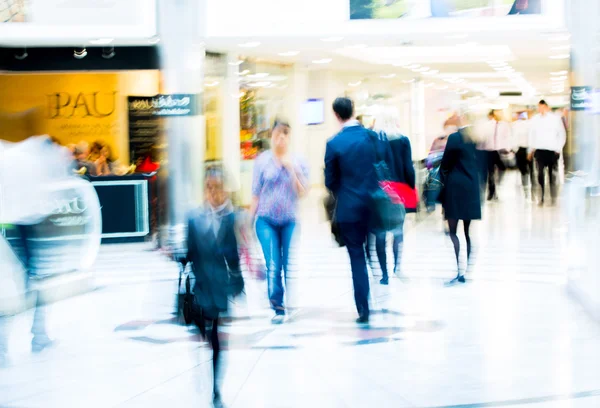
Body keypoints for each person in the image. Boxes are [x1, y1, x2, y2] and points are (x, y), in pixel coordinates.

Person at [186, 166, 244, 407]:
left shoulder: (231, 218)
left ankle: (216, 389)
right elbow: (189, 253)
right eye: (209, 188)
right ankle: (206, 351)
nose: (213, 193)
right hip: (200, 286)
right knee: (205, 333)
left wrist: (238, 281)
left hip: (220, 285)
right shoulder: (194, 219)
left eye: (218, 188)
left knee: (217, 339)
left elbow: (234, 256)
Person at [325, 97, 377, 324]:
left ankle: (363, 308)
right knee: (369, 251)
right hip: (372, 206)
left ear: (337, 115)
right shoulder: (371, 137)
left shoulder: (334, 144)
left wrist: (344, 191)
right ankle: (374, 286)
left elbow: (330, 181)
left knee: (356, 256)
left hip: (348, 207)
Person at [252, 119, 308, 324]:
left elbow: (303, 192)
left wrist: (292, 169)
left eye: (285, 133)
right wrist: (248, 221)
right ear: (271, 136)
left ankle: (282, 296)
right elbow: (255, 194)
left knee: (285, 263)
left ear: (289, 137)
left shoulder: (298, 161)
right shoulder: (261, 161)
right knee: (273, 262)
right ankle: (277, 302)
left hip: (289, 221)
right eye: (277, 134)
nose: (281, 138)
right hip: (265, 220)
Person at [367, 108, 416, 284]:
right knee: (397, 230)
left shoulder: (373, 139)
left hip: (379, 190)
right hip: (399, 190)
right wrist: (411, 189)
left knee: (380, 232)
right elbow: (408, 168)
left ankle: (384, 274)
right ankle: (397, 266)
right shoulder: (403, 140)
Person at [440, 112, 482, 286]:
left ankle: (459, 269)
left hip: (455, 188)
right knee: (467, 231)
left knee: (452, 231)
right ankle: (468, 271)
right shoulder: (476, 138)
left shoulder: (455, 138)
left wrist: (441, 183)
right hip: (471, 188)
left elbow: (445, 164)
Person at [528, 100, 567, 206]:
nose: (540, 109)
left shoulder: (555, 119)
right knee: (540, 173)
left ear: (546, 107)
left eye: (541, 107)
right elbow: (532, 135)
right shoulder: (535, 120)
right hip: (539, 150)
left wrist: (558, 149)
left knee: (551, 174)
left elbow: (562, 134)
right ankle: (542, 196)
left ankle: (553, 195)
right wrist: (531, 149)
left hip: (551, 151)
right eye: (538, 107)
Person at [478, 110, 511, 201]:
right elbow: (482, 139)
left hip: (499, 150)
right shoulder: (487, 126)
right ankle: (492, 191)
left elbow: (507, 137)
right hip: (489, 151)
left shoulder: (503, 125)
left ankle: (496, 185)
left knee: (502, 168)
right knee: (491, 172)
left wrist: (507, 148)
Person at [512, 112, 534, 200]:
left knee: (527, 169)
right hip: (521, 149)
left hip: (525, 149)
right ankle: (526, 185)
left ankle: (529, 184)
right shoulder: (516, 125)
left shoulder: (528, 125)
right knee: (524, 169)